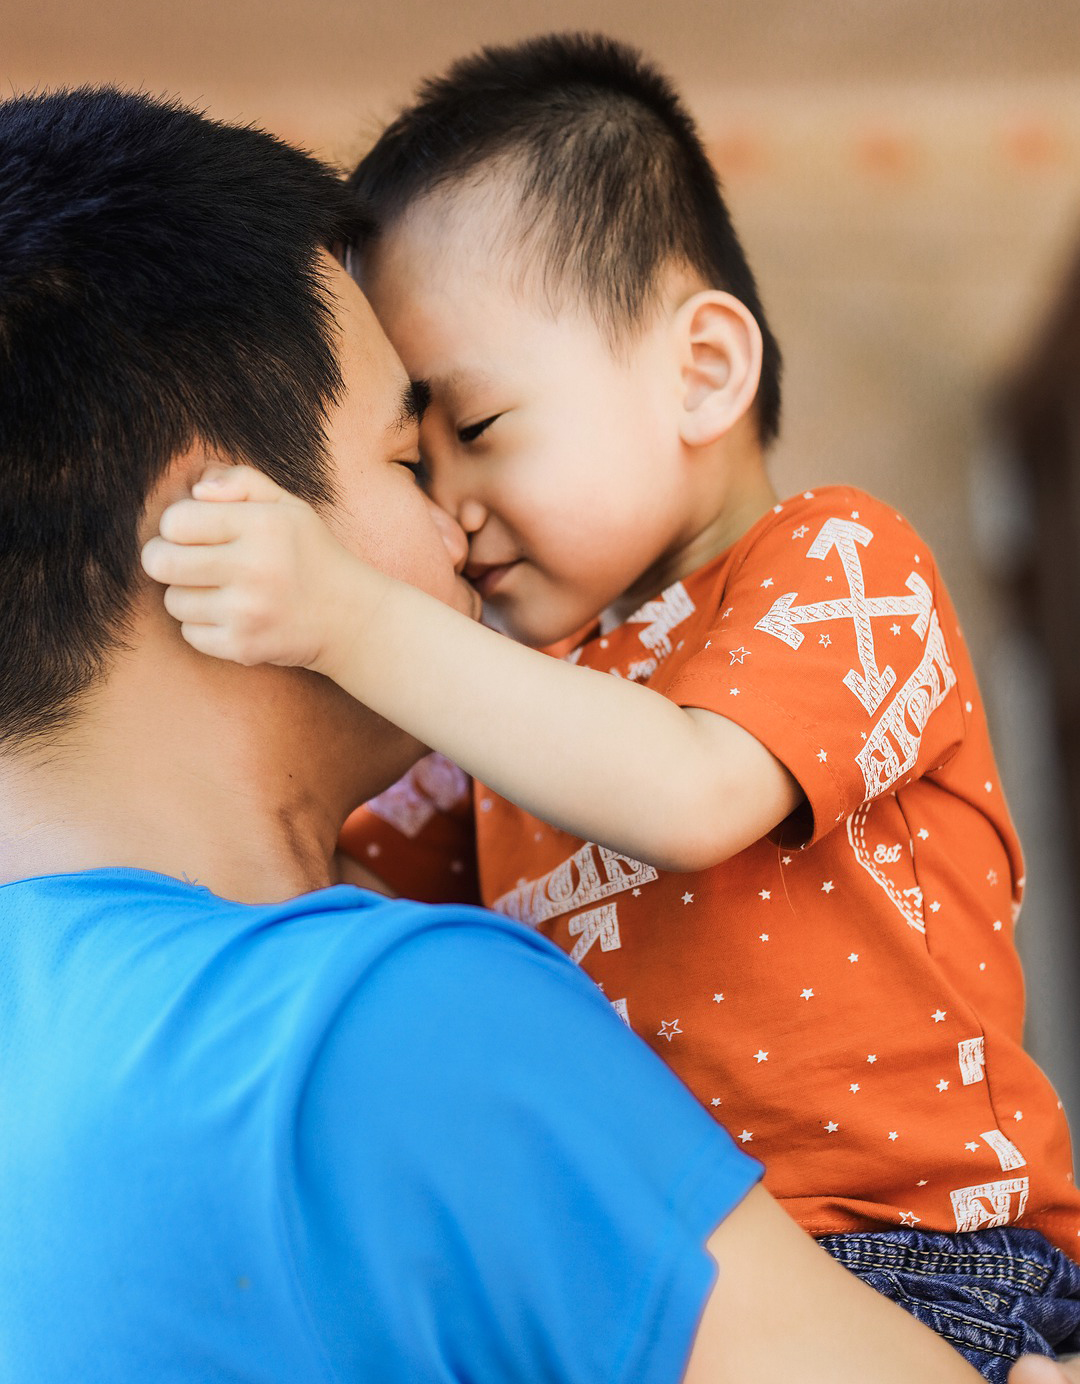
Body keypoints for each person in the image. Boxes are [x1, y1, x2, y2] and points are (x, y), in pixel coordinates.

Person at [0, 83, 995, 1384]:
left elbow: (683, 790)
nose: (461, 527)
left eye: (473, 436)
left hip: (928, 1246)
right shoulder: (391, 1028)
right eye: (416, 463)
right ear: (213, 532)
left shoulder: (827, 562)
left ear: (707, 369)